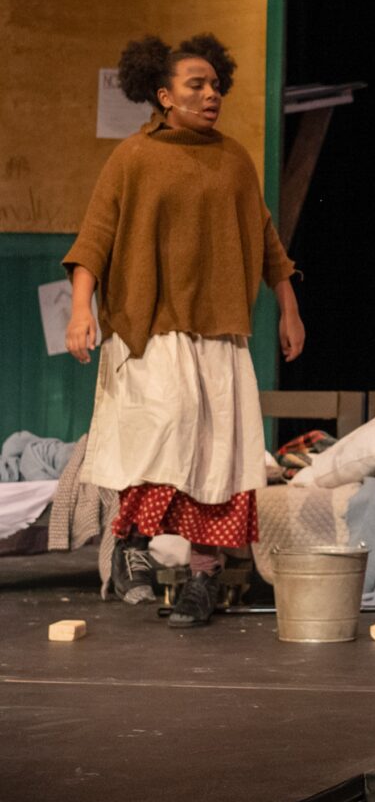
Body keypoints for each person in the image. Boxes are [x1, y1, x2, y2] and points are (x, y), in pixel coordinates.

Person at [64, 33, 305, 627]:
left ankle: (202, 578)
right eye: (196, 85)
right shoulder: (134, 157)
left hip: (219, 329)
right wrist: (79, 308)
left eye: (215, 85)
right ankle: (130, 543)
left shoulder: (234, 158)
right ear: (164, 95)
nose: (210, 94)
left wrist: (289, 305)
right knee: (159, 432)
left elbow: (266, 236)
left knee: (218, 457)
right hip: (152, 327)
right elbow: (96, 236)